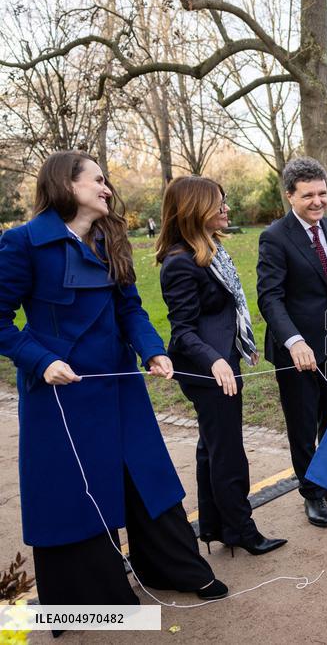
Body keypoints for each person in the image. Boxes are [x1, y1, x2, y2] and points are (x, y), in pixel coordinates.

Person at [0, 151, 227, 608]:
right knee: (75, 493)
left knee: (146, 475)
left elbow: (130, 310)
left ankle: (172, 567)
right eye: (98, 180)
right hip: (61, 394)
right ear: (68, 185)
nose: (107, 188)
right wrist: (42, 361)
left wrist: (154, 350)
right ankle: (93, 599)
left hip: (121, 385)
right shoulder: (22, 242)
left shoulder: (109, 239)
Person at [157, 176, 287, 557]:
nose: (226, 209)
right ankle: (242, 529)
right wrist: (216, 360)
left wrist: (239, 344)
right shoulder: (179, 264)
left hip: (223, 360)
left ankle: (216, 524)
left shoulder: (211, 250)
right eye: (218, 203)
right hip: (207, 370)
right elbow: (182, 331)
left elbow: (226, 309)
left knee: (211, 447)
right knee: (228, 451)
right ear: (195, 210)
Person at [257, 156, 327, 528]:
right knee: (303, 423)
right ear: (290, 196)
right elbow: (269, 297)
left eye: (322, 193)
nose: (317, 201)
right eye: (308, 196)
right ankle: (312, 492)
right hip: (296, 350)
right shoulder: (274, 237)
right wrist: (294, 340)